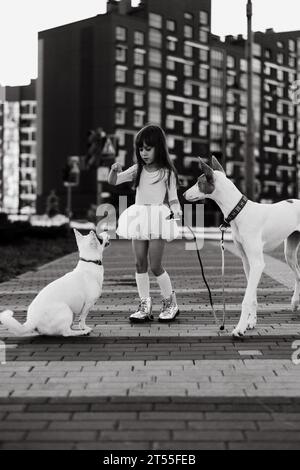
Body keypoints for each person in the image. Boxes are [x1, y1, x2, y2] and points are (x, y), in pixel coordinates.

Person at [108, 124, 182, 323]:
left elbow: (173, 198)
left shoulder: (167, 172)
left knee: (155, 265)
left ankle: (170, 304)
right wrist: (114, 171)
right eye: (141, 149)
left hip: (158, 218)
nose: (144, 153)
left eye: (148, 148)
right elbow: (114, 181)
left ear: (158, 147)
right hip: (139, 218)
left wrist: (177, 212)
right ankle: (145, 305)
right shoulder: (137, 169)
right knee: (139, 263)